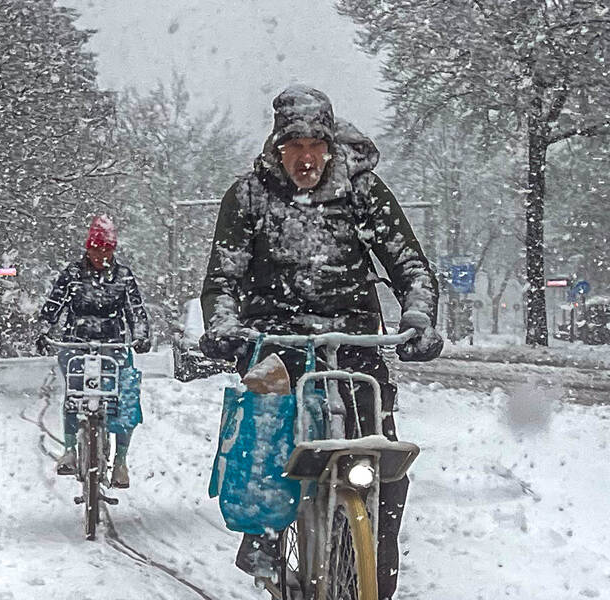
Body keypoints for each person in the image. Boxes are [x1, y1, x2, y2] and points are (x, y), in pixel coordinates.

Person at [199, 86, 443, 599]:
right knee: (265, 443)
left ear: (330, 146)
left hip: (354, 347)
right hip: (278, 346)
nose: (305, 157)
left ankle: (375, 576)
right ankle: (263, 535)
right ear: (277, 147)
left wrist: (418, 317)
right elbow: (224, 278)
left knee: (384, 471)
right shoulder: (248, 197)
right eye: (294, 146)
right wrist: (224, 327)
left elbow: (410, 266)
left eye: (315, 145)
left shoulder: (363, 192)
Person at [37, 215, 152, 488]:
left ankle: (120, 462)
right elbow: (53, 305)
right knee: (75, 393)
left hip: (114, 346)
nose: (102, 255)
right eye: (97, 248)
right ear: (87, 248)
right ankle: (70, 450)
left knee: (125, 400)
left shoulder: (123, 277)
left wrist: (141, 335)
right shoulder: (73, 275)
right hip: (77, 344)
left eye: (107, 249)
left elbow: (136, 312)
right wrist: (44, 329)